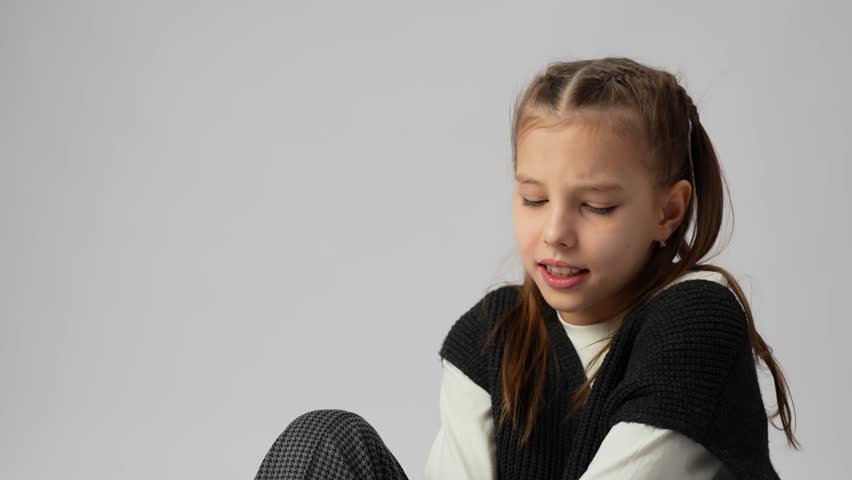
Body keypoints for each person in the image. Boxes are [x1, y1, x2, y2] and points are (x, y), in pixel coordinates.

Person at [253, 57, 800, 480]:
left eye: (597, 207)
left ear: (668, 211)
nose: (555, 232)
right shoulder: (491, 334)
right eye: (534, 199)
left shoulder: (694, 317)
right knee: (324, 438)